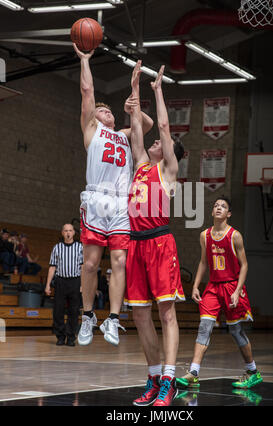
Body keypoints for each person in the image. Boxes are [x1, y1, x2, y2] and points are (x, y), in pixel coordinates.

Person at [72, 43, 153, 347]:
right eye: (100, 109)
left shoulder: (123, 134)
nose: (104, 111)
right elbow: (87, 93)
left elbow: (145, 124)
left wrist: (134, 99)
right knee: (91, 264)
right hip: (95, 200)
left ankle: (114, 318)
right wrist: (84, 60)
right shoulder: (92, 131)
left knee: (119, 260)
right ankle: (88, 315)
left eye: (108, 109)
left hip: (121, 203)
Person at [125, 61, 185, 407]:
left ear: (168, 152)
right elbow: (136, 125)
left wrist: (157, 90)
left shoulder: (168, 171)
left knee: (167, 314)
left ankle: (169, 380)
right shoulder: (140, 165)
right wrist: (134, 87)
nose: (155, 143)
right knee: (140, 314)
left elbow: (161, 124)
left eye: (162, 143)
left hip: (161, 244)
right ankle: (152, 376)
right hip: (136, 246)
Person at [176, 197, 263, 390]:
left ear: (229, 214)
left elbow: (245, 265)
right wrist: (196, 285)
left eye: (223, 206)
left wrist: (238, 290)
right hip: (213, 287)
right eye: (216, 205)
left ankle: (252, 371)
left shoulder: (235, 236)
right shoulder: (204, 235)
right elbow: (203, 262)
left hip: (232, 287)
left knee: (236, 331)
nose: (218, 208)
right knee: (204, 327)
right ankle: (194, 373)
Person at [45, 224, 83, 347]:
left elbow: (83, 267)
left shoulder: (79, 247)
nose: (68, 233)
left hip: (75, 281)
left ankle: (71, 337)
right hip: (60, 281)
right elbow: (52, 267)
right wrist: (47, 285)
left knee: (74, 311)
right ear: (62, 233)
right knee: (58, 310)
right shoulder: (57, 248)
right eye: (66, 230)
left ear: (74, 233)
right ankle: (60, 336)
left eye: (70, 230)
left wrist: (83, 284)